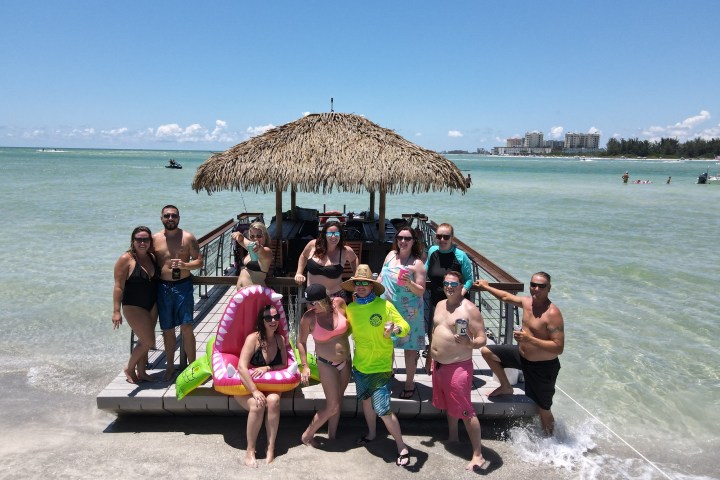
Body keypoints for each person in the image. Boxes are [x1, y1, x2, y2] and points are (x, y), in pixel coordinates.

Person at [475, 272, 565, 435]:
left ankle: (552, 444)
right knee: (487, 351)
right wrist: (486, 287)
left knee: (543, 408)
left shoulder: (553, 314)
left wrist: (529, 339)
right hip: (522, 356)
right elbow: (505, 297)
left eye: (541, 286)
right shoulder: (527, 302)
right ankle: (506, 386)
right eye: (533, 285)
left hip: (543, 367)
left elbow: (558, 347)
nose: (536, 289)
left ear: (549, 288)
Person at [341, 265, 412, 467]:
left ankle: (401, 446)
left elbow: (405, 326)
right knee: (366, 403)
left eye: (365, 283)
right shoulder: (352, 309)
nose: (361, 286)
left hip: (380, 367)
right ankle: (372, 434)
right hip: (360, 366)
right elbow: (344, 331)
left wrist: (396, 328)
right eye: (358, 283)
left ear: (372, 286)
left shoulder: (385, 306)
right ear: (354, 286)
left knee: (382, 409)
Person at [430, 271, 489, 472]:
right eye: (446, 283)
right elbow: (434, 330)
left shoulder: (469, 309)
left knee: (465, 409)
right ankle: (453, 436)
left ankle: (478, 455)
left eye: (453, 284)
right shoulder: (439, 304)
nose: (449, 287)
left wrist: (470, 343)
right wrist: (431, 353)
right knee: (449, 403)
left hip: (458, 366)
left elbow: (482, 338)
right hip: (438, 364)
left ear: (461, 285)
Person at [153, 205, 203, 381]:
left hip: (183, 286)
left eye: (173, 215)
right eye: (167, 216)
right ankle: (169, 367)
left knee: (187, 327)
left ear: (179, 218)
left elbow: (199, 262)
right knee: (167, 330)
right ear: (161, 218)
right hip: (162, 287)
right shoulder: (154, 239)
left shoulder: (188, 237)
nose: (170, 218)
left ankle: (193, 367)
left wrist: (185, 265)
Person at [297, 284, 351, 446]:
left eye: (313, 303)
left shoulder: (340, 303)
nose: (310, 307)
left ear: (324, 300)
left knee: (338, 401)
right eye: (308, 303)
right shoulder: (308, 318)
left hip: (346, 361)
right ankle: (307, 435)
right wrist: (305, 365)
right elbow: (301, 342)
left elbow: (351, 325)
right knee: (332, 405)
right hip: (326, 363)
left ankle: (332, 436)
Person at [234, 304, 287, 467]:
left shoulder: (280, 340)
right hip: (247, 388)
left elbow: (284, 364)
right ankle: (250, 450)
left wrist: (267, 367)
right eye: (268, 318)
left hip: (270, 387)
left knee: (273, 401)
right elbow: (241, 367)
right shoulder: (253, 339)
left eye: (276, 317)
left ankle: (270, 447)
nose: (273, 321)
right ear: (261, 321)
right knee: (258, 405)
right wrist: (254, 390)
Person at [377, 227, 426, 399]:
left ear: (414, 241)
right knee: (387, 344)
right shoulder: (390, 256)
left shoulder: (417, 263)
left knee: (410, 349)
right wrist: (372, 292)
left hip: (409, 312)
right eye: (400, 238)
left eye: (407, 238)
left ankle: (409, 382)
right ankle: (388, 373)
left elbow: (420, 291)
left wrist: (409, 283)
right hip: (388, 309)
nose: (403, 241)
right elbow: (381, 278)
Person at [112, 226, 158, 384]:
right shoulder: (126, 259)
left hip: (152, 304)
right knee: (149, 341)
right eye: (139, 239)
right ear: (133, 241)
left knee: (143, 340)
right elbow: (118, 286)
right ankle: (129, 368)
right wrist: (116, 311)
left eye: (146, 239)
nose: (142, 242)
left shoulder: (152, 257)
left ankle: (142, 371)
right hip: (133, 305)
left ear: (150, 241)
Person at [424, 223, 473, 358]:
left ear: (452, 238)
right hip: (436, 302)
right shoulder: (432, 251)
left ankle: (459, 365)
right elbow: (425, 269)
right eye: (439, 236)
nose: (442, 240)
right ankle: (434, 364)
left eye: (446, 237)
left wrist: (458, 296)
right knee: (434, 334)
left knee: (457, 336)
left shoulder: (461, 256)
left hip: (457, 304)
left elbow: (469, 280)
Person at [294, 221, 358, 302]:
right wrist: (299, 272)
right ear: (324, 234)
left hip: (335, 296)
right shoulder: (313, 244)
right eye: (330, 234)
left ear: (340, 235)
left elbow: (354, 259)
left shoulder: (345, 250)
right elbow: (304, 256)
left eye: (337, 234)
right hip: (313, 295)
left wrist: (357, 275)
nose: (333, 236)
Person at [231, 221, 272, 288]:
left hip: (255, 296)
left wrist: (258, 246)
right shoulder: (250, 250)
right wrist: (239, 235)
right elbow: (241, 240)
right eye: (252, 236)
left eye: (259, 236)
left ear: (265, 237)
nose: (255, 238)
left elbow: (261, 250)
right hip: (243, 294)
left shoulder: (267, 251)